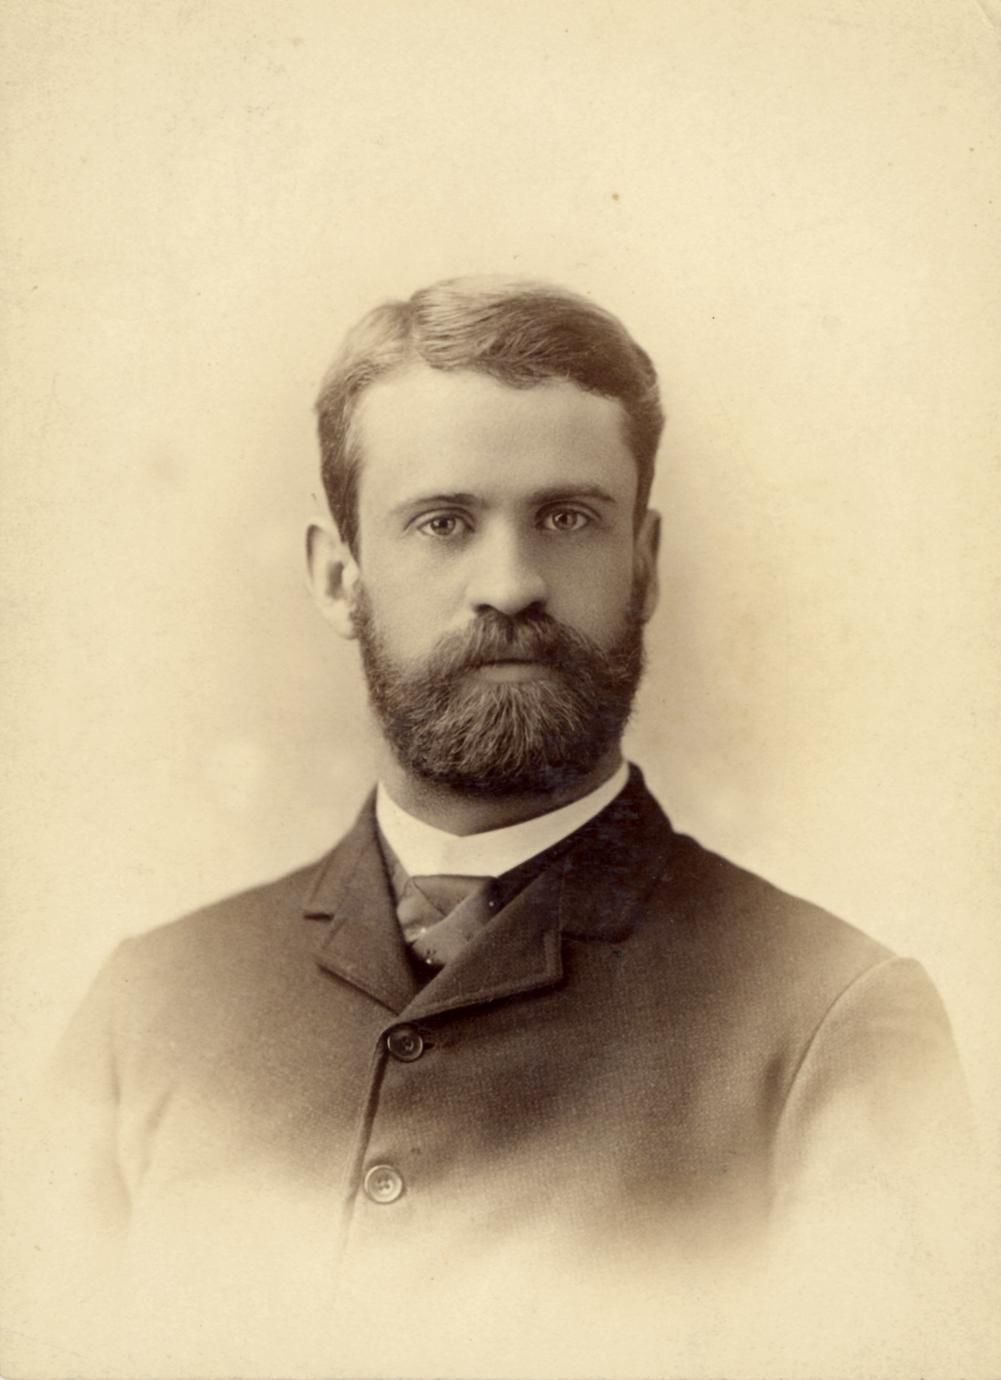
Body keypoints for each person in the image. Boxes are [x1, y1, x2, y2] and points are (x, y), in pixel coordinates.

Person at [32, 277, 974, 1377]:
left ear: (645, 563)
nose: (512, 584)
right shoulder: (147, 1008)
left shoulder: (832, 1020)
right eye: (442, 523)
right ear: (338, 579)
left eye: (567, 519)